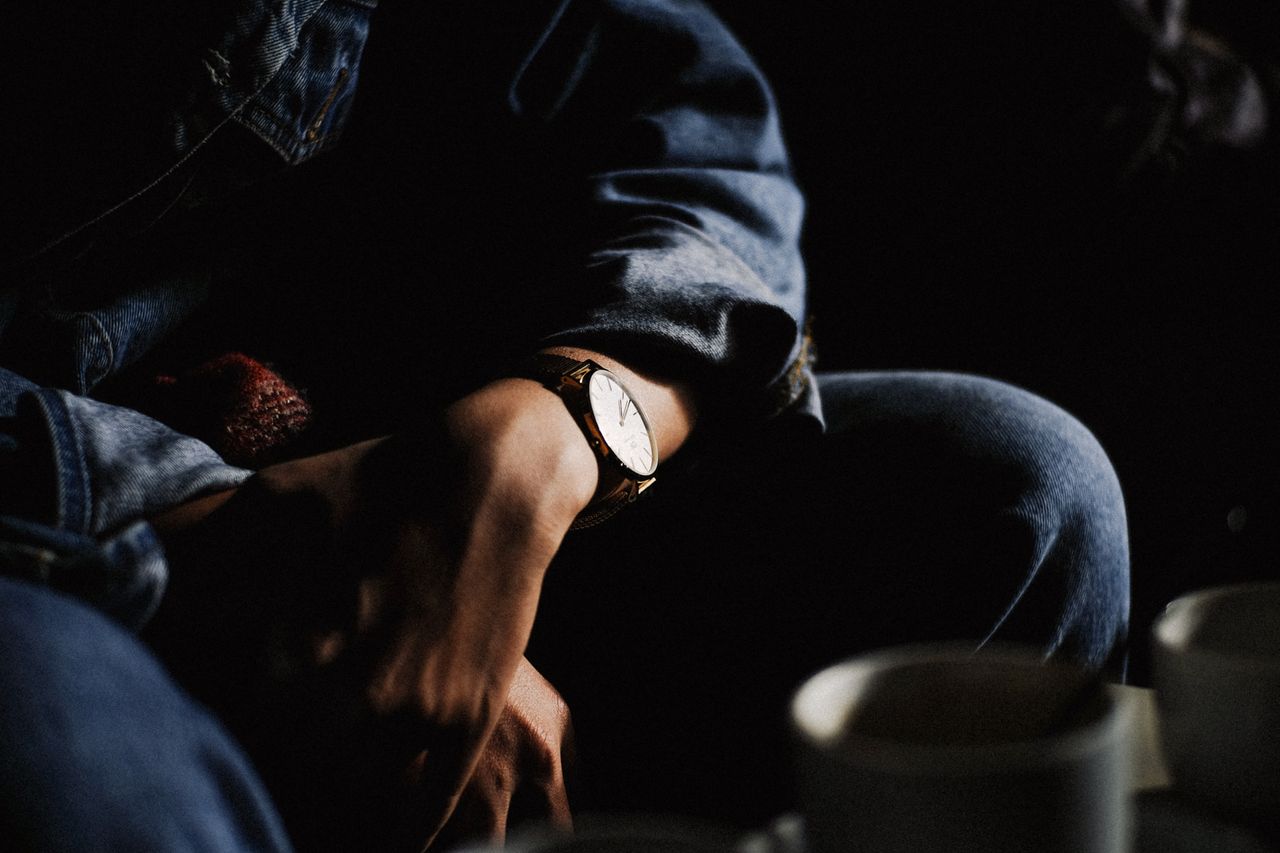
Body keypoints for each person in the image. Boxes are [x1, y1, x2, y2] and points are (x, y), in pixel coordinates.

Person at [1, 1, 1130, 849]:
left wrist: (540, 446)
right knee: (61, 742)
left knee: (1027, 492)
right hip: (71, 553)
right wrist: (290, 558)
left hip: (427, 458)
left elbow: (692, 133)